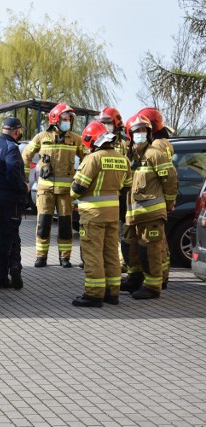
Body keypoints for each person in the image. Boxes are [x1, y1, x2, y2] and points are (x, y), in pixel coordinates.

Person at [71, 121, 132, 307]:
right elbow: (126, 186)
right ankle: (112, 293)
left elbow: (77, 188)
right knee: (112, 254)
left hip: (93, 216)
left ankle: (94, 294)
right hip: (113, 215)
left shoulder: (92, 159)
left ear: (91, 140)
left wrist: (73, 192)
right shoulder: (123, 158)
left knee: (93, 254)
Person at [22, 103, 87, 268]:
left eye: (70, 119)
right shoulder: (41, 137)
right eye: (65, 119)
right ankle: (41, 257)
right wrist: (24, 178)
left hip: (66, 192)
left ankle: (65, 258)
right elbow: (26, 155)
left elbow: (89, 159)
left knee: (65, 225)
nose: (68, 122)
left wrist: (82, 179)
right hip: (45, 190)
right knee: (43, 224)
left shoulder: (76, 140)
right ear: (55, 119)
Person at [120, 115, 178, 299]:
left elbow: (170, 180)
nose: (140, 134)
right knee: (131, 248)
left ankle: (153, 286)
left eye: (143, 130)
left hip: (151, 215)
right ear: (130, 134)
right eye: (136, 131)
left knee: (150, 250)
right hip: (132, 215)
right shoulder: (130, 156)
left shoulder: (155, 154)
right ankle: (135, 279)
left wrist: (168, 204)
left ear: (149, 133)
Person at [0, 117, 29, 289]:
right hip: (9, 200)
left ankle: (15, 266)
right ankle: (0, 278)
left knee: (10, 235)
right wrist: (23, 188)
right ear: (16, 131)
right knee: (6, 238)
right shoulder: (12, 148)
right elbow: (12, 172)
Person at [137, 107, 176, 288]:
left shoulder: (156, 146)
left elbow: (167, 175)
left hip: (154, 200)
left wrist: (169, 201)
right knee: (160, 243)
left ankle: (159, 279)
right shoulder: (164, 142)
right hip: (159, 200)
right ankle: (163, 276)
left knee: (156, 245)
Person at [98, 107, 131, 271]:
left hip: (121, 193)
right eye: (102, 123)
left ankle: (121, 262)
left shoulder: (125, 143)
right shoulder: (97, 141)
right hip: (103, 193)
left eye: (108, 123)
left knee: (121, 229)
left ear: (116, 123)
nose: (105, 126)